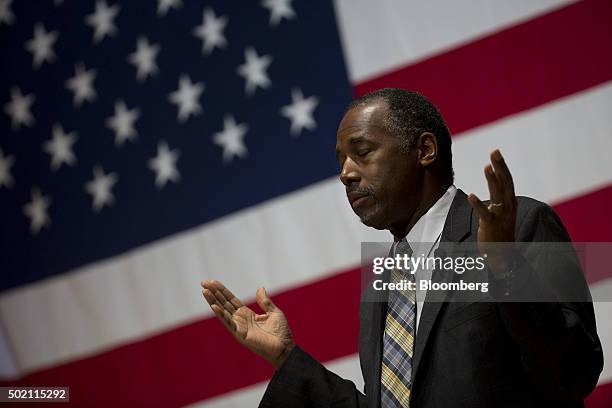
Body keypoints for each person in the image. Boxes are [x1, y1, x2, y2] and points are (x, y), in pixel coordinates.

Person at [202, 88, 603, 407]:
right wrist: (287, 358)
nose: (345, 174)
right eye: (341, 160)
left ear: (424, 151)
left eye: (362, 153)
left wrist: (506, 268)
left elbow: (574, 374)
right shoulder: (383, 281)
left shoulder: (515, 228)